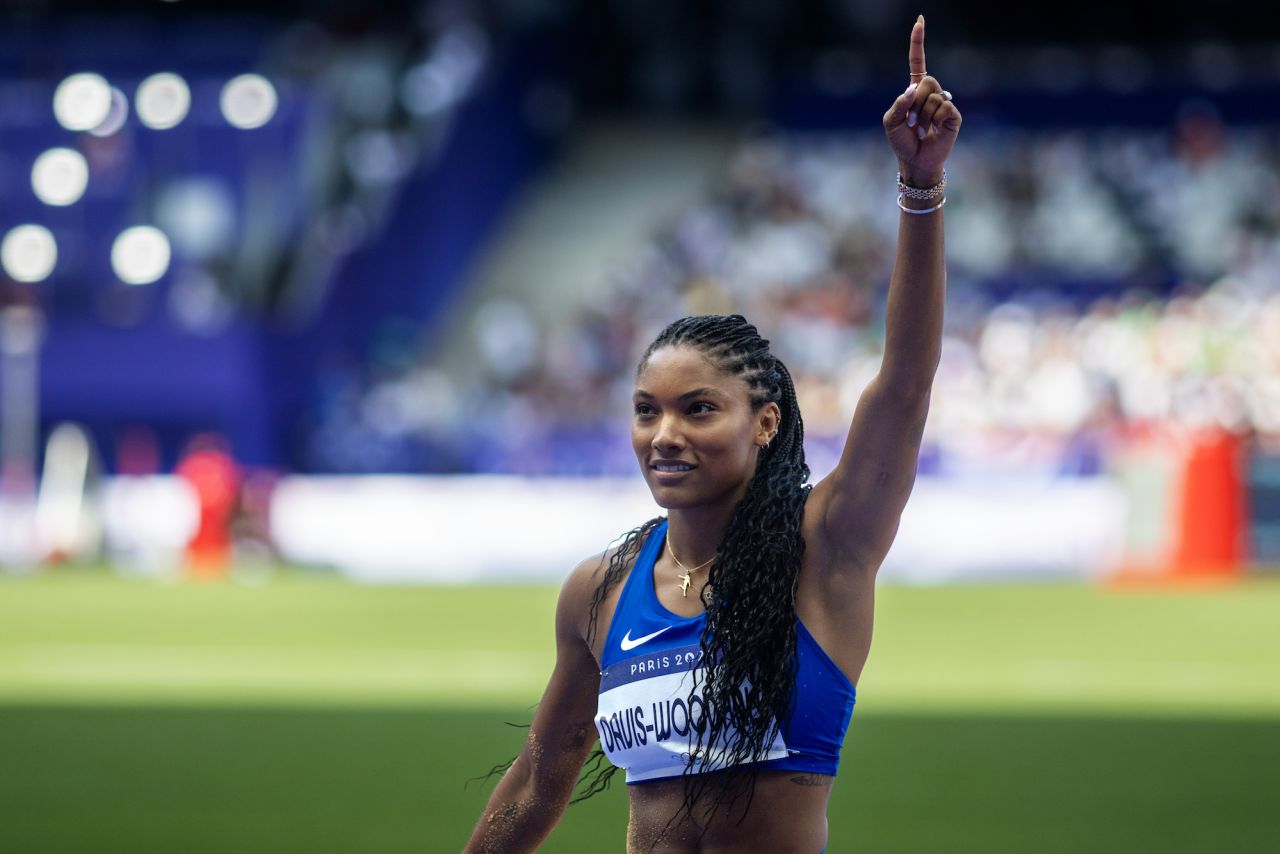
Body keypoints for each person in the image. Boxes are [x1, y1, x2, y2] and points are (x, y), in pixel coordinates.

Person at [463, 14, 960, 854]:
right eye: (646, 409)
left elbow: (906, 387)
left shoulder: (826, 547)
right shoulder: (602, 590)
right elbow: (542, 777)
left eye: (699, 409)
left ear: (766, 422)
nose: (665, 434)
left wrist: (920, 189)